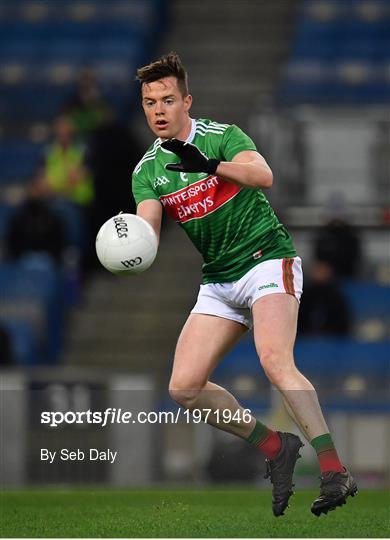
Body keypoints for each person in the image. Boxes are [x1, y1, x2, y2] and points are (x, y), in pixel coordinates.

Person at [132, 52, 357, 517]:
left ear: (186, 101)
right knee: (184, 388)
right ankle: (276, 446)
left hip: (266, 259)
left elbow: (264, 175)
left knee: (275, 360)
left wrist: (209, 165)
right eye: (150, 101)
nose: (158, 109)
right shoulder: (146, 172)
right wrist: (128, 245)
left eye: (167, 99)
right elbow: (147, 231)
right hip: (219, 280)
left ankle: (334, 470)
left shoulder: (221, 136)